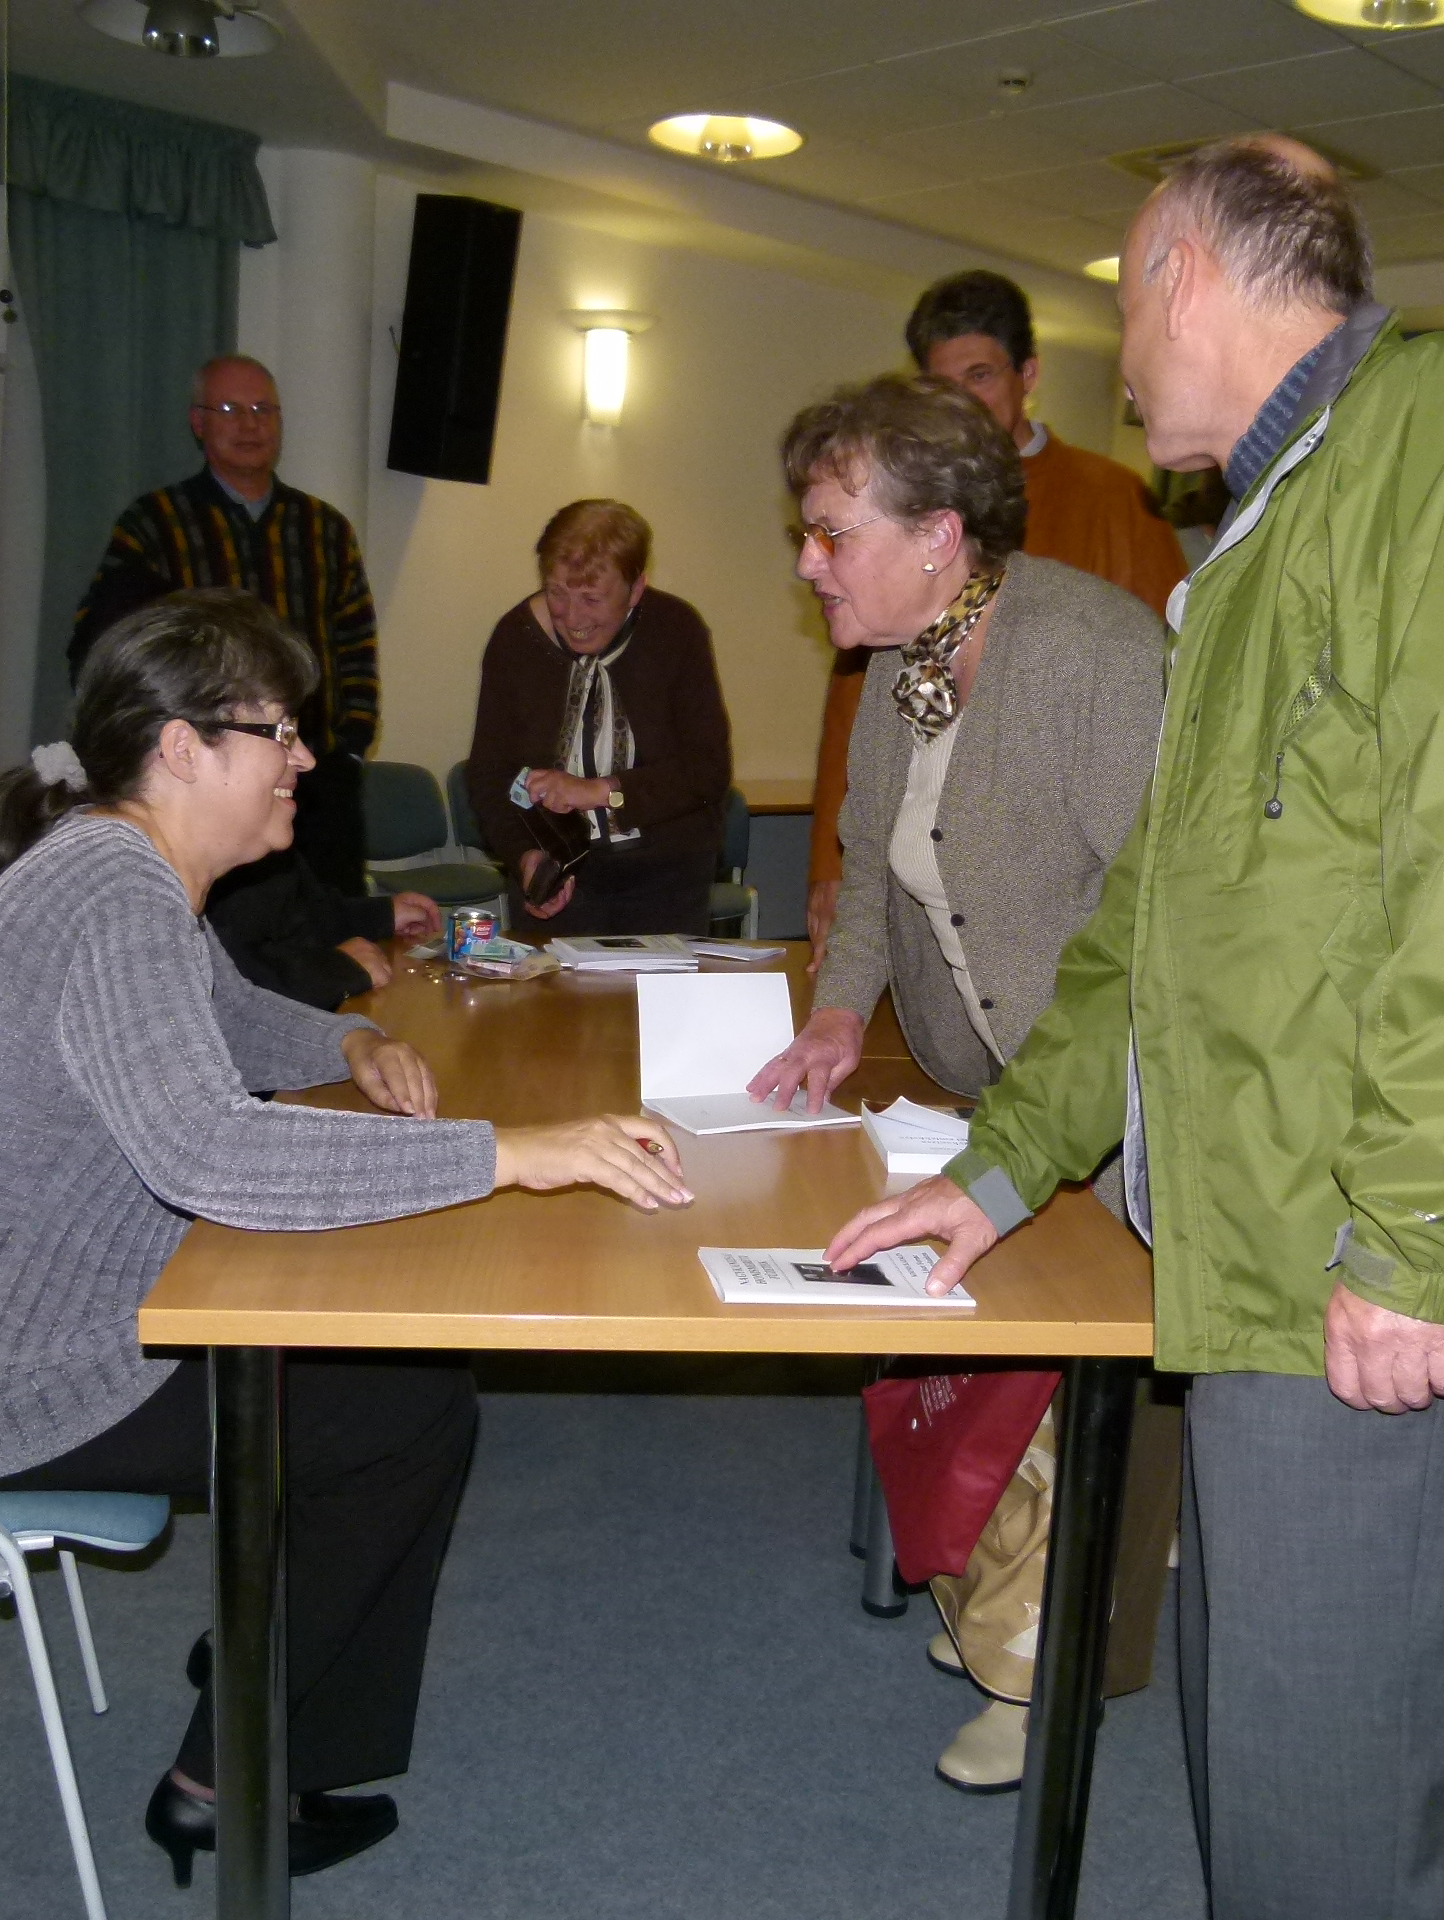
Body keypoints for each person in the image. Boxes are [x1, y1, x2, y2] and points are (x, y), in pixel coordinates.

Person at [828, 138, 1444, 1919]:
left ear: (1187, 271)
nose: (1118, 355)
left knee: (1334, 1813)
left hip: (1376, 1258)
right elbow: (1159, 921)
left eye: (1122, 299)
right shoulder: (1268, 531)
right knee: (1277, 1780)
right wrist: (1004, 1166)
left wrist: (1423, 1233)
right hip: (1271, 1251)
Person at [0, 589, 691, 1886]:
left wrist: (349, 1039)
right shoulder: (114, 897)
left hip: (16, 1324)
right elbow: (211, 1155)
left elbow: (223, 1017)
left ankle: (264, 1669)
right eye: (278, 732)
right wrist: (515, 1153)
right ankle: (223, 1781)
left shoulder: (115, 869)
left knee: (374, 1383)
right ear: (182, 749)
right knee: (396, 1414)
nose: (305, 758)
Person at [746, 373, 1181, 1795]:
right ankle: (1002, 1612)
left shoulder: (1091, 656)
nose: (807, 563)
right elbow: (871, 868)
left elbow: (1160, 928)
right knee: (987, 1363)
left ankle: (1051, 1669)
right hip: (977, 1085)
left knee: (1088, 1389)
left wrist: (1054, 1119)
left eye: (832, 533)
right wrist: (836, 1013)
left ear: (939, 535)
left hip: (1105, 1098)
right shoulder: (904, 662)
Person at [804, 271, 1189, 965]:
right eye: (939, 383)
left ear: (1027, 375)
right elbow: (856, 703)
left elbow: (1175, 683)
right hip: (922, 860)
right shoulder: (889, 521)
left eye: (978, 376)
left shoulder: (1114, 500)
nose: (960, 401)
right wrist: (832, 865)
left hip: (1059, 893)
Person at [68, 353, 424, 1007]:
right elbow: (100, 650)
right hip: (210, 783)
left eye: (263, 409)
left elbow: (357, 647)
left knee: (355, 975)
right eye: (230, 409)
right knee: (245, 962)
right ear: (198, 423)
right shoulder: (155, 524)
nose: (250, 424)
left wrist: (346, 746)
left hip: (319, 782)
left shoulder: (324, 529)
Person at [463, 501, 734, 937]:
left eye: (592, 599)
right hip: (559, 874)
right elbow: (489, 774)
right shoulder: (514, 640)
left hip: (667, 880)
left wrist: (601, 791)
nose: (572, 618)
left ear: (636, 588)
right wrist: (525, 858)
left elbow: (707, 770)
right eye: (556, 593)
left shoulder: (677, 631)